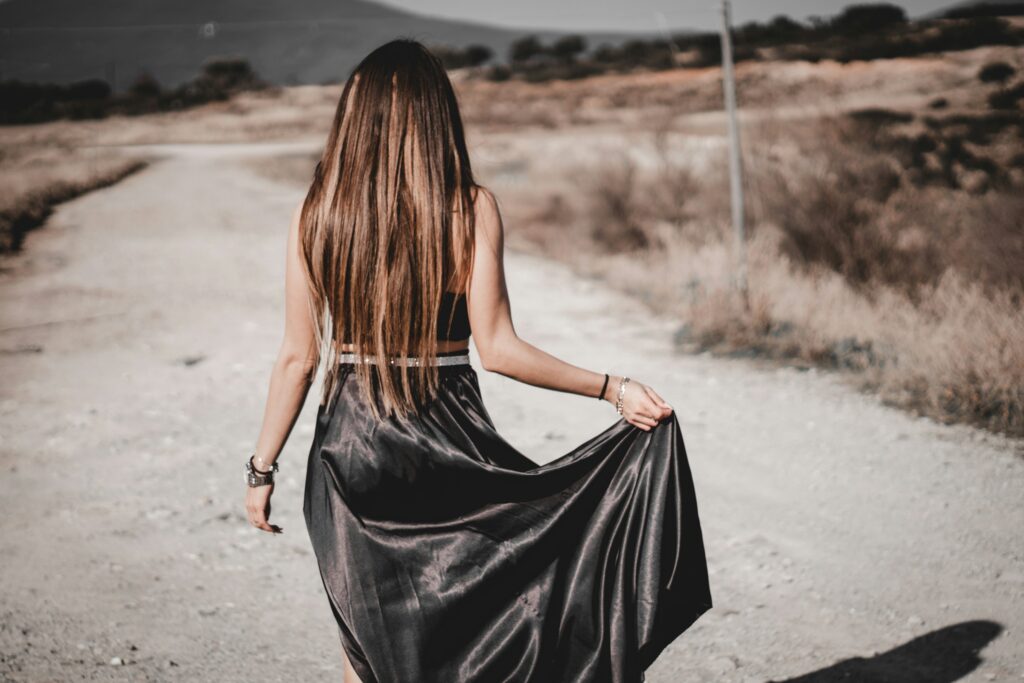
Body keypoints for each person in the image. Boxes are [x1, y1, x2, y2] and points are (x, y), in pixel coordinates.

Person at [245, 38, 712, 683]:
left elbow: (298, 358)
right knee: (488, 611)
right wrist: (613, 388)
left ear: (355, 117)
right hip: (446, 440)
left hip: (350, 450)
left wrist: (260, 469)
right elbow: (499, 350)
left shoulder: (316, 212)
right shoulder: (468, 208)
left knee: (371, 643)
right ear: (437, 116)